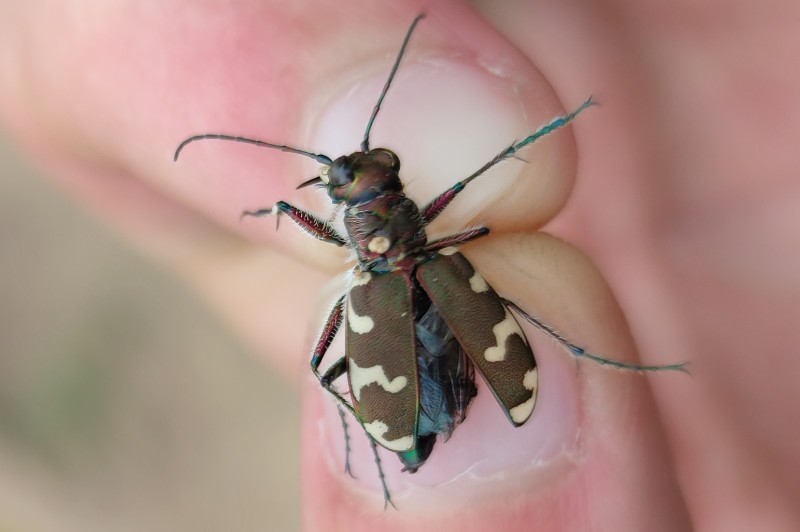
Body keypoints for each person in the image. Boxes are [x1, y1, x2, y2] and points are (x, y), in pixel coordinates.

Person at [1, 2, 797, 530]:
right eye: (359, 180)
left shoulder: (358, 260)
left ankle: (381, 441)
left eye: (363, 177)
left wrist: (277, 209)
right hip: (427, 281)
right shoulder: (441, 238)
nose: (363, 180)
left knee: (364, 349)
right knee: (505, 282)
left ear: (353, 217)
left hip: (391, 313)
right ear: (394, 198)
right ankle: (399, 432)